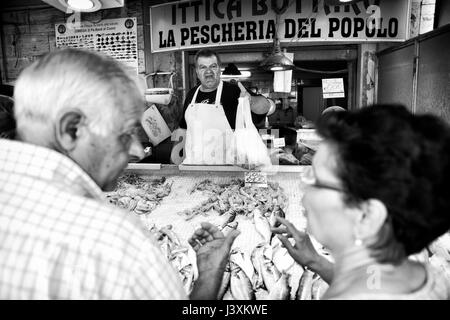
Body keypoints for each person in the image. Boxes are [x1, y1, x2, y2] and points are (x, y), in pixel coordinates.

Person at [0, 48, 239, 299]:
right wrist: (210, 273)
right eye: (125, 134)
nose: (136, 150)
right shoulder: (117, 240)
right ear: (71, 130)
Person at [272, 104, 450, 299]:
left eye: (316, 179)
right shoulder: (421, 276)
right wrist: (316, 262)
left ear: (367, 217)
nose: (302, 187)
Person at [175, 49, 271, 165]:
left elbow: (265, 107)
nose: (208, 72)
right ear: (197, 72)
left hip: (226, 168)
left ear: (219, 69)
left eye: (213, 66)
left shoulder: (233, 90)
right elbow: (183, 129)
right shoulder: (191, 94)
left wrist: (249, 100)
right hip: (194, 166)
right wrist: (175, 154)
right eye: (203, 67)